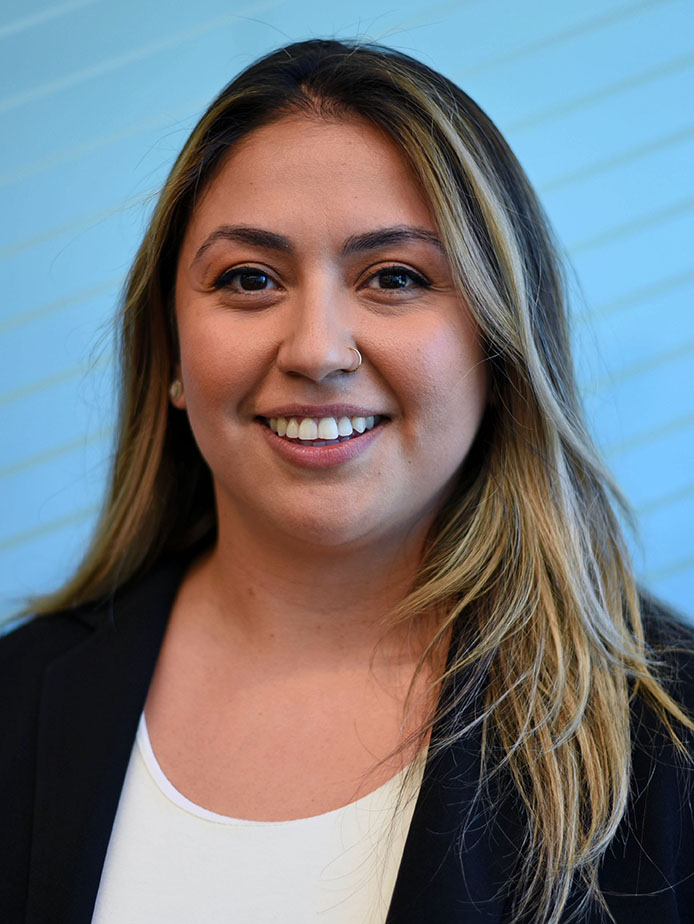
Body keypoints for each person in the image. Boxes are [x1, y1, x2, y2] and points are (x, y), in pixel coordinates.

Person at [1, 38, 692, 924]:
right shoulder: (15, 702)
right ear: (172, 351)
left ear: (498, 346)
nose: (318, 350)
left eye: (395, 278)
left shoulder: (671, 736)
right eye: (249, 279)